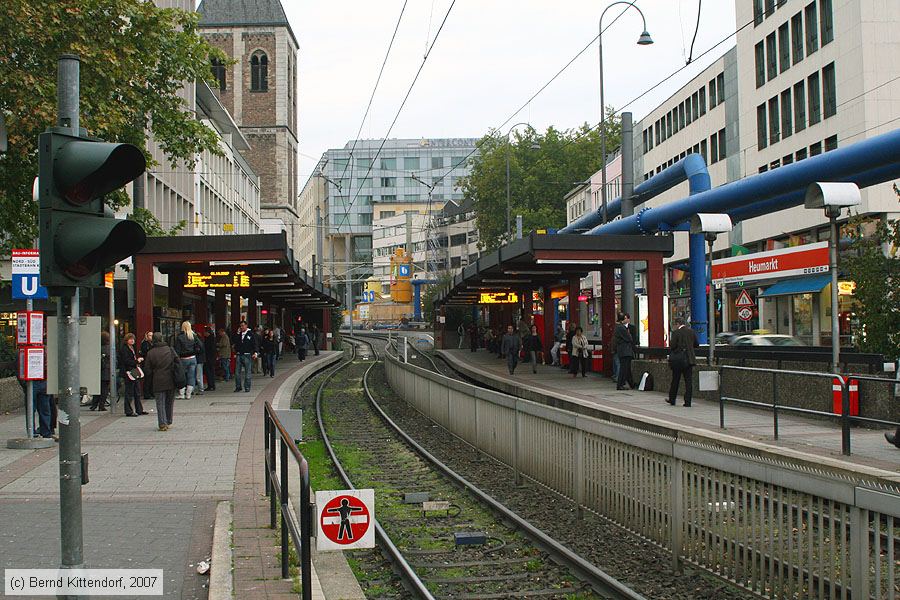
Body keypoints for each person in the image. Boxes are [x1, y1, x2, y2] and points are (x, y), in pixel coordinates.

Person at [143, 332, 176, 431]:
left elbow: (147, 370)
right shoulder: (170, 350)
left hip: (157, 380)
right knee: (169, 402)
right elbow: (177, 362)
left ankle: (162, 423)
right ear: (162, 339)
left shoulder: (151, 352)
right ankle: (169, 421)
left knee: (160, 403)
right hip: (171, 379)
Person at [667, 317, 699, 406]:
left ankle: (672, 399)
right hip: (689, 360)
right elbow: (696, 344)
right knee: (688, 381)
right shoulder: (691, 331)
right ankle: (688, 401)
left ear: (677, 324)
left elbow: (672, 346)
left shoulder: (676, 333)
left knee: (675, 380)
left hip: (678, 360)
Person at [118, 332, 146, 417]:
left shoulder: (131, 348)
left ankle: (139, 409)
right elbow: (126, 361)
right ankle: (128, 411)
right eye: (130, 339)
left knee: (137, 391)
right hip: (128, 371)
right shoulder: (124, 349)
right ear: (126, 340)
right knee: (129, 392)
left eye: (133, 339)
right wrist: (137, 361)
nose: (132, 341)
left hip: (133, 370)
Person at [174, 320, 202, 399]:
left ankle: (182, 394)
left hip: (183, 359)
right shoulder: (193, 336)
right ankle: (188, 394)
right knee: (191, 376)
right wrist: (195, 352)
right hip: (193, 358)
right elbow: (201, 346)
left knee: (181, 376)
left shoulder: (180, 337)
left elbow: (177, 350)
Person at [232, 320, 258, 392]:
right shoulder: (239, 334)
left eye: (243, 325)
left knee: (248, 372)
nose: (242, 327)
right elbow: (234, 341)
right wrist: (237, 333)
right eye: (240, 326)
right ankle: (238, 386)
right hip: (239, 354)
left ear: (246, 326)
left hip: (247, 354)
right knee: (237, 372)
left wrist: (255, 352)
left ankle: (247, 387)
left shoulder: (250, 334)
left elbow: (254, 344)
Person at [614, 314, 636, 390]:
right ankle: (620, 384)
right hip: (625, 351)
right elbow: (629, 338)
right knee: (624, 368)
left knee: (626, 368)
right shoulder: (622, 328)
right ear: (623, 320)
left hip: (622, 351)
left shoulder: (617, 328)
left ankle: (631, 383)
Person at [90, 331, 111, 411]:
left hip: (97, 370)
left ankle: (94, 405)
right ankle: (101, 405)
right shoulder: (108, 348)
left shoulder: (97, 347)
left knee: (97, 388)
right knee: (104, 389)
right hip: (106, 370)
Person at [140, 331, 155, 400]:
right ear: (146, 336)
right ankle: (147, 393)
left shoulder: (152, 343)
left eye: (152, 335)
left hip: (152, 363)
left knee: (151, 379)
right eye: (149, 335)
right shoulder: (144, 344)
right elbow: (145, 352)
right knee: (147, 379)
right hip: (146, 363)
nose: (151, 337)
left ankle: (151, 392)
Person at [610, 314, 622, 381]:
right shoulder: (620, 329)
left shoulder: (615, 331)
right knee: (618, 363)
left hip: (615, 349)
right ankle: (617, 376)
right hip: (618, 349)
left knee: (616, 363)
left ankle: (616, 375)